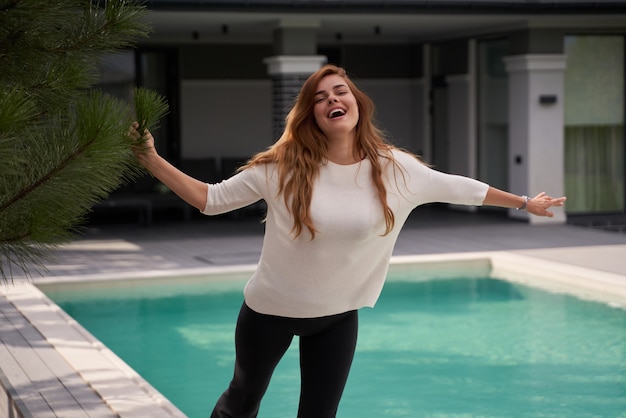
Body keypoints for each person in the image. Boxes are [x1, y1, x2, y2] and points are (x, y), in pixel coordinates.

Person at [129, 64, 566, 418]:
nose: (332, 100)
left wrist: (525, 202)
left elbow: (463, 188)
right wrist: (150, 159)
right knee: (241, 402)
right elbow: (210, 199)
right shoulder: (281, 168)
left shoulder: (396, 169)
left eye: (339, 91)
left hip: (337, 318)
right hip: (268, 313)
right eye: (320, 98)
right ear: (311, 115)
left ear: (356, 103)